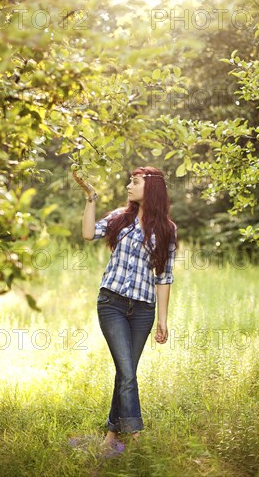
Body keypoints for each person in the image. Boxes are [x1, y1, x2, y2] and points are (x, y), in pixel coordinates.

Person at [73, 166, 177, 454]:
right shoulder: (121, 217)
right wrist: (90, 197)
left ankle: (110, 434)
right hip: (112, 303)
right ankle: (136, 436)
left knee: (125, 371)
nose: (129, 186)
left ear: (151, 188)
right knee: (128, 372)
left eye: (135, 182)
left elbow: (164, 276)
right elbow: (88, 233)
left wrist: (162, 320)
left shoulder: (168, 229)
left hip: (144, 310)